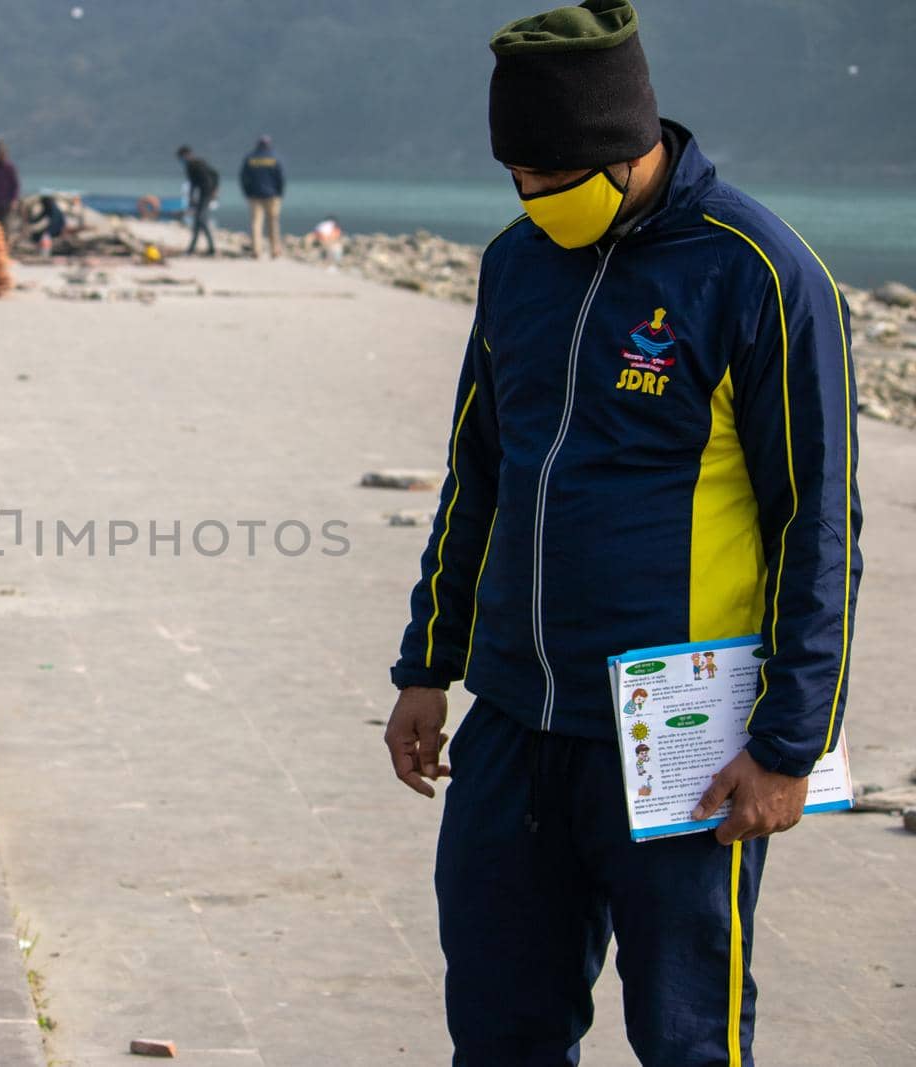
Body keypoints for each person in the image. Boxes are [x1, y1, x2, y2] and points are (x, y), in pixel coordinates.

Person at [383, 3, 861, 1064]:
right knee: (499, 1030)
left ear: (627, 145)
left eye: (556, 179)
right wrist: (429, 663)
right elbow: (478, 476)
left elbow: (817, 527)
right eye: (517, 177)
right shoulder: (515, 264)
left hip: (682, 737)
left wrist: (789, 743)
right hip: (513, 718)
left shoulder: (755, 273)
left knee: (688, 1038)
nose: (535, 200)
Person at [239, 135, 285, 258]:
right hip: (272, 196)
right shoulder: (274, 158)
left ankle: (256, 251)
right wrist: (279, 193)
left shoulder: (250, 158)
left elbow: (243, 178)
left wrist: (247, 192)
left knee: (256, 223)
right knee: (273, 223)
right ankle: (275, 250)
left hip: (254, 196)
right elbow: (280, 178)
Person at [175, 145, 218, 256]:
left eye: (181, 158)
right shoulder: (199, 162)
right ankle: (195, 249)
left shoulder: (193, 164)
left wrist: (214, 190)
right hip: (203, 194)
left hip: (205, 194)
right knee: (198, 222)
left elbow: (194, 184)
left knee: (200, 220)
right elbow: (214, 175)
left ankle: (208, 249)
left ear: (184, 155)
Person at [0, 141, 20, 231]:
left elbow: (15, 184)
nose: (0, 155)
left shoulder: (10, 167)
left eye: (2, 153)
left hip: (7, 202)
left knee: (5, 228)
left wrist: (14, 199)